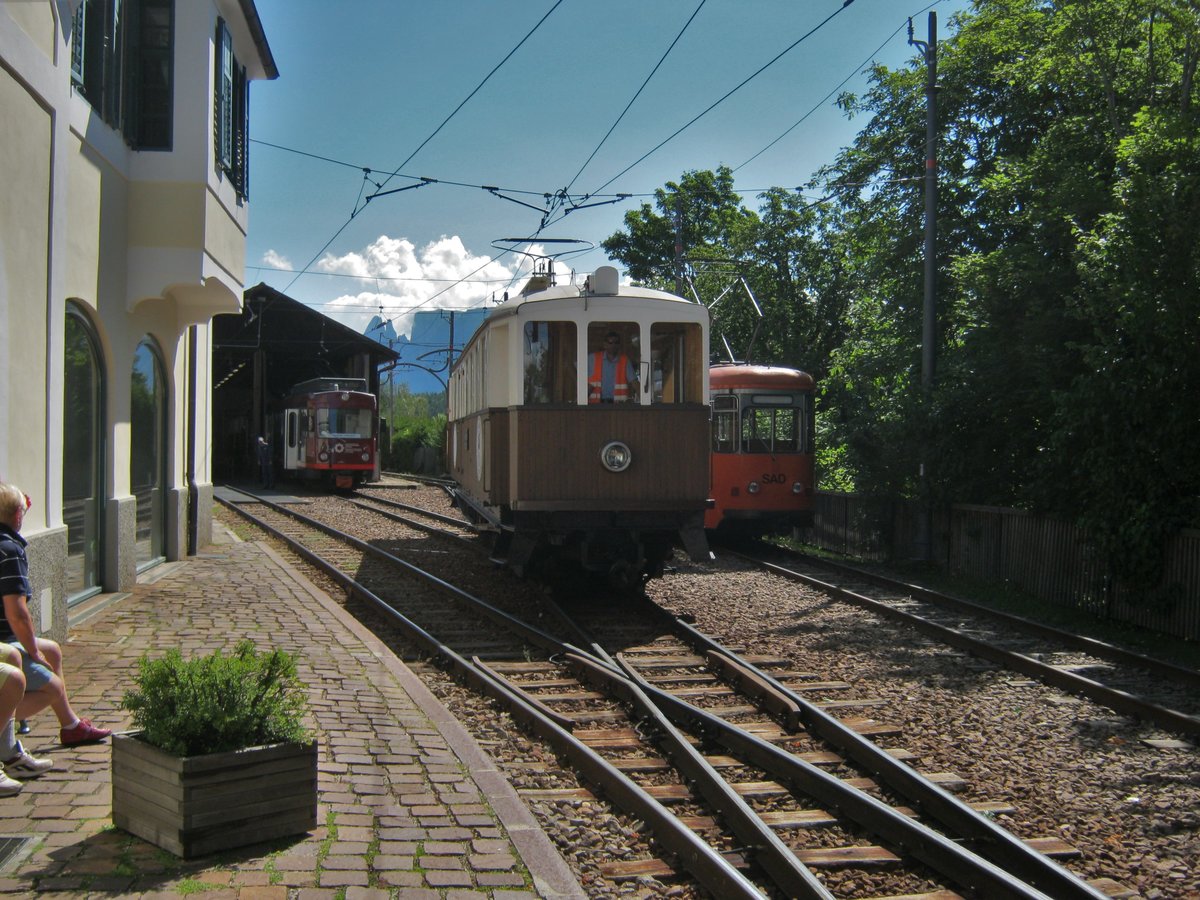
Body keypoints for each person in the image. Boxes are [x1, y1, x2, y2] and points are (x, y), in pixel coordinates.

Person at [0, 483, 110, 747]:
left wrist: (38, 649)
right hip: (4, 638)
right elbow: (17, 614)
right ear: (17, 516)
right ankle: (6, 729)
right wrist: (32, 651)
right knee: (54, 687)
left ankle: (70, 725)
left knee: (53, 650)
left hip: (5, 634)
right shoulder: (9, 551)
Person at [588, 332, 638, 403]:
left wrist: (645, 400)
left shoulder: (624, 361)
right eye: (610, 342)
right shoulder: (592, 358)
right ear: (605, 345)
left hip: (618, 407)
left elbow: (634, 382)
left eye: (616, 343)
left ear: (619, 345)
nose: (613, 345)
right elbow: (579, 375)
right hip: (595, 405)